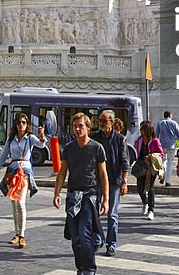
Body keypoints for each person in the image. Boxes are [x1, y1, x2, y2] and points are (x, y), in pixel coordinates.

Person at [53, 112, 108, 275]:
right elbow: (62, 173)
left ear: (88, 128)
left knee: (84, 234)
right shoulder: (69, 148)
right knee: (75, 237)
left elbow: (103, 174)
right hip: (72, 196)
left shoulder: (97, 148)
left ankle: (89, 268)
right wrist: (57, 193)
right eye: (75, 126)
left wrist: (106, 199)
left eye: (81, 126)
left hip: (89, 195)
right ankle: (81, 267)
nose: (77, 129)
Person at [0, 114, 46, 248]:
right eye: (19, 122)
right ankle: (17, 234)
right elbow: (3, 157)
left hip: (24, 172)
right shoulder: (11, 139)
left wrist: (42, 135)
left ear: (27, 125)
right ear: (16, 125)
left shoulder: (30, 138)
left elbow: (41, 145)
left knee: (20, 202)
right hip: (12, 172)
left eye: (24, 122)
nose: (21, 125)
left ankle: (22, 235)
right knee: (14, 203)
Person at [88, 109, 128, 256]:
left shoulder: (119, 139)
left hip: (114, 181)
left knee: (112, 214)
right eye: (100, 121)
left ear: (112, 122)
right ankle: (97, 239)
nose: (102, 124)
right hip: (96, 181)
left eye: (105, 121)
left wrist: (124, 181)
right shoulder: (94, 137)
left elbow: (124, 161)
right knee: (95, 213)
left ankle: (111, 244)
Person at [133, 120, 163, 221]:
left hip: (151, 167)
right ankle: (145, 202)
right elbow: (135, 151)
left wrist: (151, 156)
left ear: (148, 130)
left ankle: (151, 210)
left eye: (142, 129)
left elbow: (161, 154)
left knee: (150, 188)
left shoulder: (155, 141)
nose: (140, 130)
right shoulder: (139, 140)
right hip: (141, 166)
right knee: (140, 188)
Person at [155, 111, 179, 187]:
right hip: (171, 145)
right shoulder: (174, 123)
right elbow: (178, 134)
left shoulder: (160, 123)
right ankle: (168, 181)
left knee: (162, 162)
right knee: (170, 163)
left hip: (162, 145)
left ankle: (162, 175)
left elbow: (156, 135)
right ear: (170, 115)